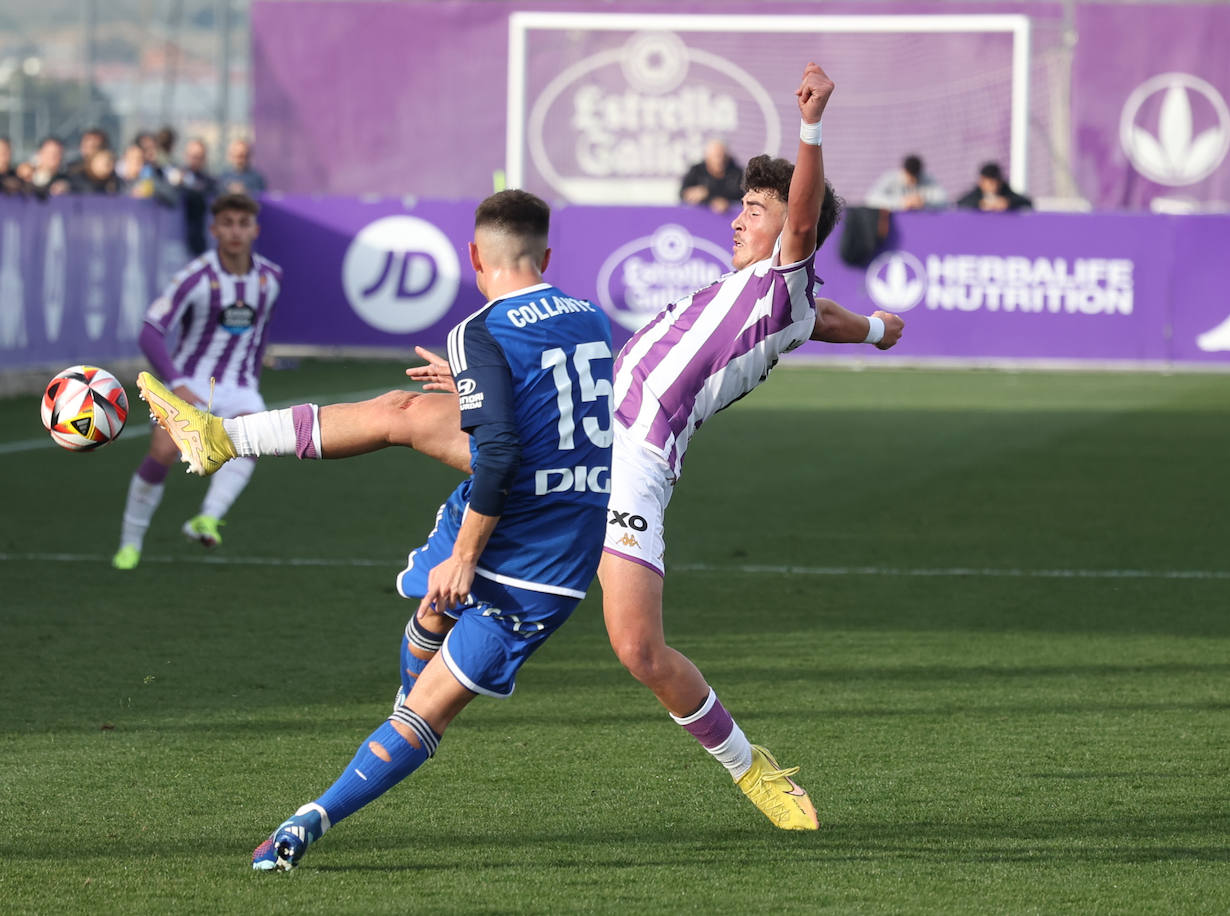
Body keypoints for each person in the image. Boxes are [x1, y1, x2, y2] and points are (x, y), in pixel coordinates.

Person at [143, 63, 906, 832]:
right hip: (575, 429)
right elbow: (826, 316)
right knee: (406, 408)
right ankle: (219, 437)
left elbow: (805, 239)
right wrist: (875, 330)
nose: (739, 220)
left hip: (632, 468)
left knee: (640, 650)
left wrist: (810, 125)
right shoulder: (785, 299)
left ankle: (751, 768)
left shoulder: (783, 281)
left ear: (791, 227)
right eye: (740, 206)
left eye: (755, 209)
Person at [140, 189, 614, 870]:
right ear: (548, 256)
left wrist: (464, 556)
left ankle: (310, 819)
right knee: (404, 409)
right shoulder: (590, 315)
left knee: (425, 714)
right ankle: (219, 437)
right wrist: (473, 386)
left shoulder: (480, 329)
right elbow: (560, 397)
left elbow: (503, 454)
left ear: (474, 256)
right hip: (558, 502)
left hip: (532, 555)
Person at [110, 193, 281, 570]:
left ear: (255, 230)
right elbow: (150, 332)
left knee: (257, 439)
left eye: (242, 223)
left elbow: (260, 332)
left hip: (239, 386)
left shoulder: (270, 279)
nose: (235, 231)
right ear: (214, 229)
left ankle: (206, 518)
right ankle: (130, 543)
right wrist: (177, 382)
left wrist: (252, 378)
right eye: (227, 223)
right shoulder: (195, 277)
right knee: (164, 453)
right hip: (192, 381)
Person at [863, 154, 947, 211]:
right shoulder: (890, 179)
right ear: (903, 171)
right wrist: (901, 203)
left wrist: (924, 201)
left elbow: (945, 201)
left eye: (915, 178)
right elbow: (871, 199)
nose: (912, 182)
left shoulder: (928, 180)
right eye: (910, 178)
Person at [680, 139, 744, 214]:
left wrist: (727, 202)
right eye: (716, 156)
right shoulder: (696, 171)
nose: (720, 160)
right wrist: (690, 194)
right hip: (700, 218)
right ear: (707, 157)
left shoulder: (737, 173)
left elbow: (742, 195)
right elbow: (683, 193)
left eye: (722, 156)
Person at [956, 162, 1032, 212]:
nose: (992, 186)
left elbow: (1026, 202)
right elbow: (961, 203)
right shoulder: (976, 194)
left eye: (994, 182)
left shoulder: (1006, 192)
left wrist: (1008, 203)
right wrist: (980, 204)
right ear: (981, 182)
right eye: (989, 183)